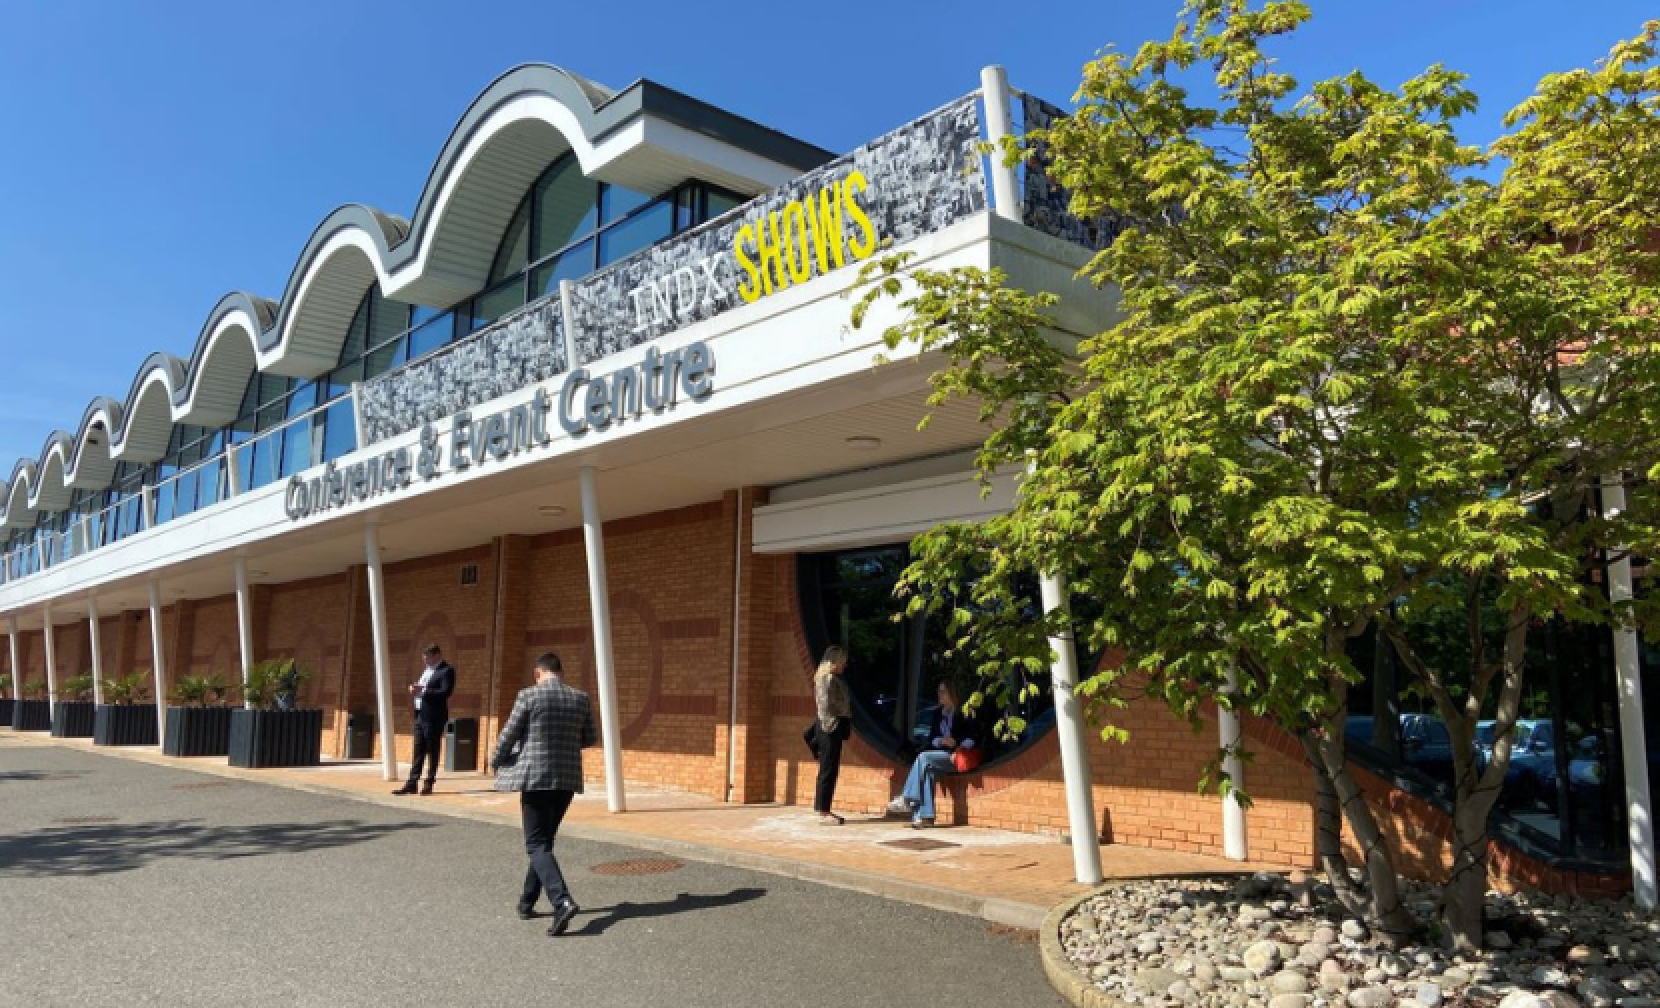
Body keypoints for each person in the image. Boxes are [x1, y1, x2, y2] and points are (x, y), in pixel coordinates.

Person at [492, 652, 595, 937]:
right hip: (567, 778)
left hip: (536, 777)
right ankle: (526, 902)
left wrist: (496, 759)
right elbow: (590, 737)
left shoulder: (529, 696)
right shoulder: (580, 698)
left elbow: (509, 733)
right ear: (560, 672)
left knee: (536, 844)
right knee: (544, 842)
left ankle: (562, 901)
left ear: (538, 673)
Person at [886, 681, 982, 828]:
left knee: (923, 758)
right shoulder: (938, 713)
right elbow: (932, 738)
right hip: (940, 755)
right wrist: (940, 741)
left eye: (942, 691)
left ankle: (907, 798)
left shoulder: (963, 712)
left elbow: (973, 737)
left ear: (951, 694)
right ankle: (925, 817)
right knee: (927, 770)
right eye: (939, 691)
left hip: (956, 757)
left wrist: (956, 743)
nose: (939, 694)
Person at [393, 644, 454, 796]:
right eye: (424, 658)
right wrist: (414, 689)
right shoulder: (427, 670)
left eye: (428, 657)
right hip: (420, 714)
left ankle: (429, 782)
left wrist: (424, 691)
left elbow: (445, 692)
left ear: (437, 655)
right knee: (418, 749)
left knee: (432, 749)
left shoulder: (446, 670)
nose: (425, 660)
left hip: (434, 716)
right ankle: (412, 783)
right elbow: (421, 688)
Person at [812, 645, 851, 825]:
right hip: (830, 727)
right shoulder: (827, 679)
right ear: (833, 660)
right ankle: (823, 810)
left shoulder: (829, 678)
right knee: (828, 769)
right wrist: (838, 719)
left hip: (830, 726)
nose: (844, 664)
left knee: (829, 768)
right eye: (842, 660)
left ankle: (823, 808)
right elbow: (827, 706)